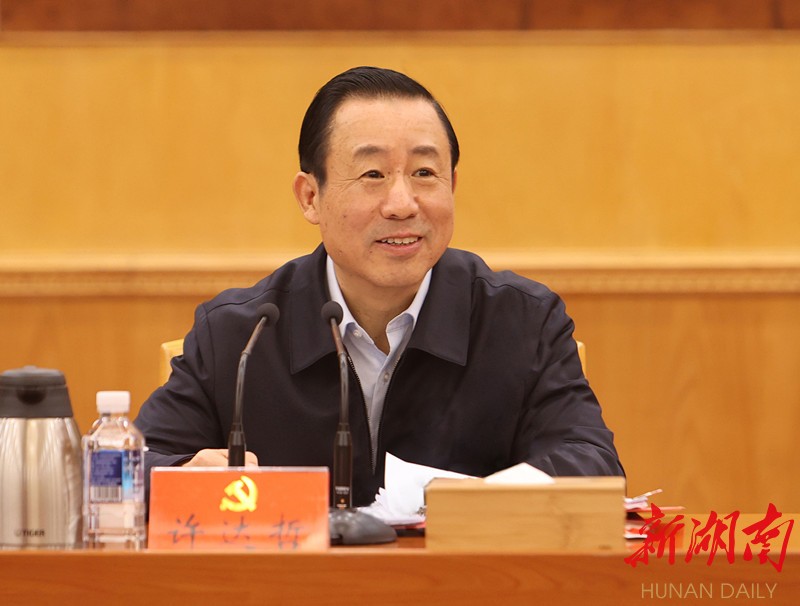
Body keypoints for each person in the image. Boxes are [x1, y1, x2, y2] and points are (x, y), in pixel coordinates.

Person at [134, 66, 624, 506]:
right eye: (373, 174)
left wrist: (468, 504)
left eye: (425, 173)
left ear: (452, 186)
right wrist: (182, 475)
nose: (402, 203)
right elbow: (132, 470)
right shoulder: (240, 335)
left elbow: (593, 465)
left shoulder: (522, 321)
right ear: (310, 197)